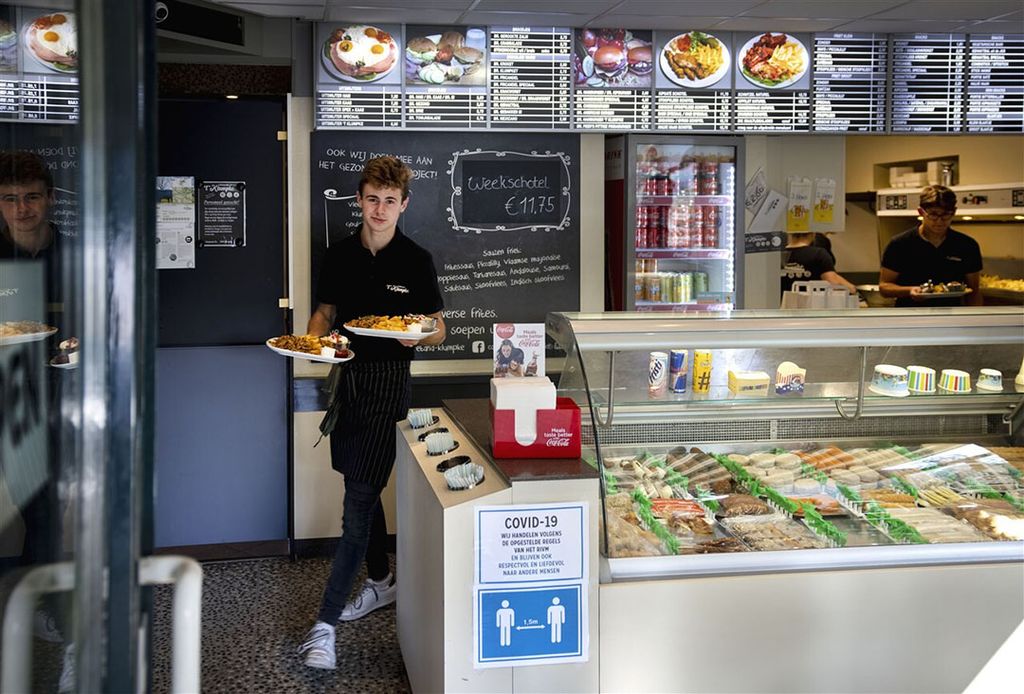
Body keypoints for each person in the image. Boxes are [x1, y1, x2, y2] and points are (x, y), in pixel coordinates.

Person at [298, 156, 446, 670]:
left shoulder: (416, 258)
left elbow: (438, 326)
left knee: (358, 503)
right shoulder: (338, 254)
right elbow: (325, 313)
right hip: (347, 382)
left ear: (403, 205)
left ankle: (324, 626)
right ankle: (382, 583)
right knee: (357, 483)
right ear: (359, 201)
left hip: (389, 385)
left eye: (390, 201)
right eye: (371, 199)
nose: (379, 210)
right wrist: (312, 343)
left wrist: (421, 332)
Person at [879, 185, 983, 307]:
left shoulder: (967, 246)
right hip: (910, 316)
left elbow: (973, 291)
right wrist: (909, 291)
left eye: (945, 215)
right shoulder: (900, 244)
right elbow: (884, 287)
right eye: (933, 215)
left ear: (954, 212)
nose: (939, 221)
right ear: (921, 212)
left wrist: (976, 320)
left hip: (952, 316)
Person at [780, 231, 856, 298]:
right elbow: (833, 282)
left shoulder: (777, 255)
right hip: (811, 308)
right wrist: (852, 289)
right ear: (813, 234)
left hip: (782, 308)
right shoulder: (819, 254)